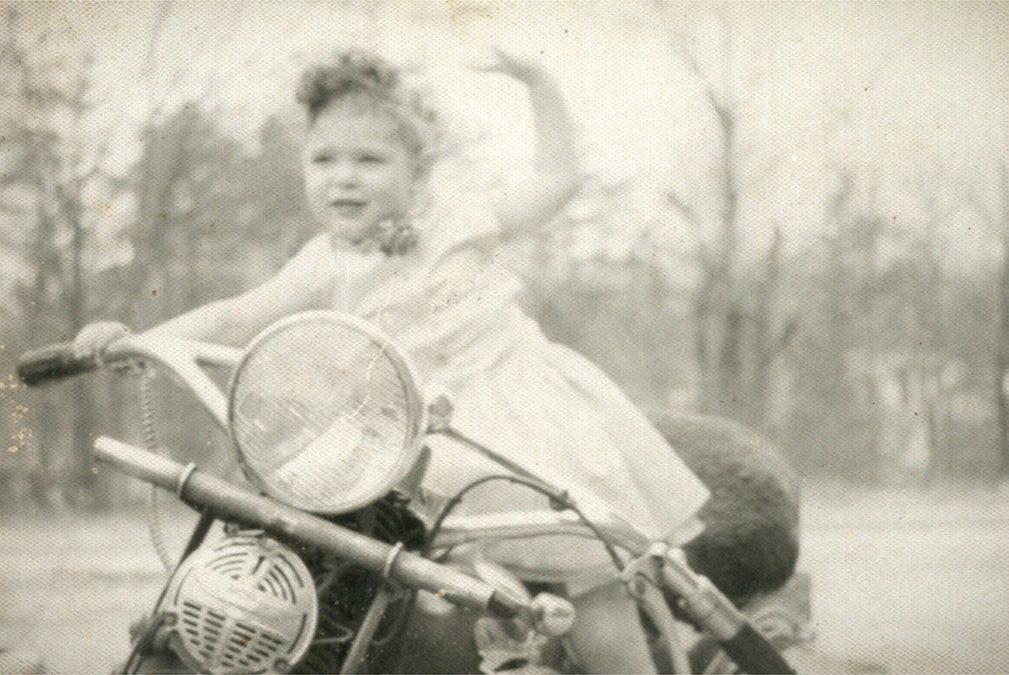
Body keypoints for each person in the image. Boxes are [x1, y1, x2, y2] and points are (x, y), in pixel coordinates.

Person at [75, 49, 709, 672]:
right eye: (323, 159)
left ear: (417, 171)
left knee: (593, 575)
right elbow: (240, 313)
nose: (342, 177)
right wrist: (144, 339)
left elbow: (556, 183)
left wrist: (538, 81)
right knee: (324, 547)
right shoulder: (326, 260)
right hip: (409, 439)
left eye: (369, 160)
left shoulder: (462, 221)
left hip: (521, 417)